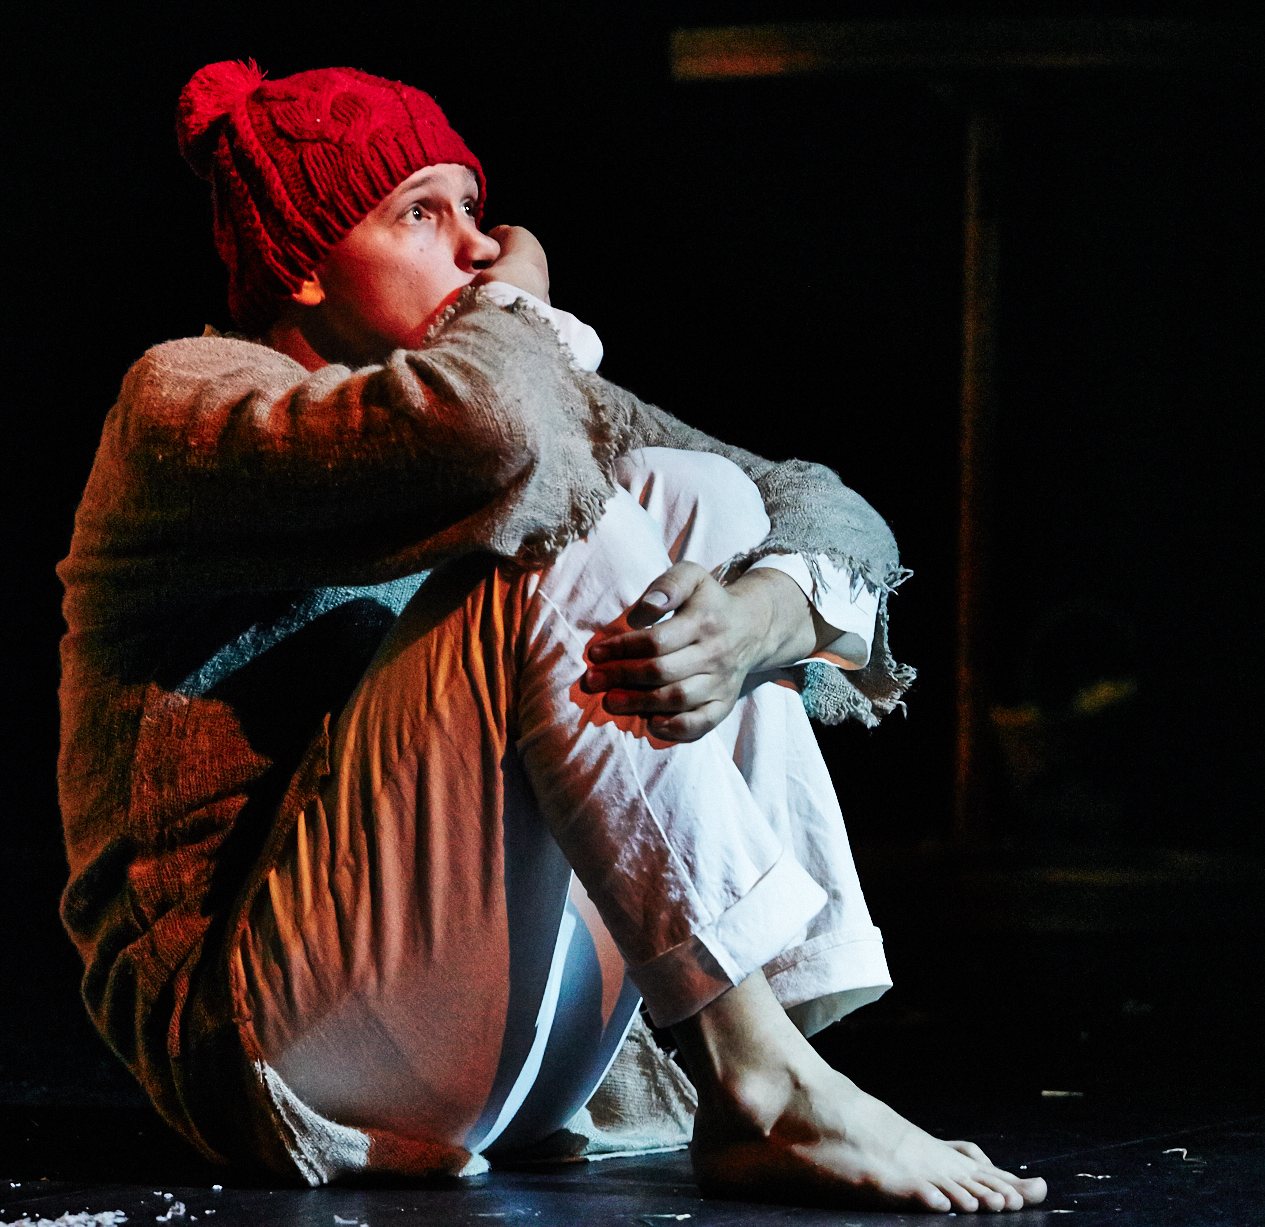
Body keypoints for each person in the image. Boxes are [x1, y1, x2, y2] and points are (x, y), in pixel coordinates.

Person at [57, 60, 1048, 1213]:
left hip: (518, 1048)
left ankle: (768, 1050)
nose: (479, 246)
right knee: (556, 524)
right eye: (420, 214)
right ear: (304, 267)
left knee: (700, 502)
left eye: (476, 208)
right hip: (274, 1046)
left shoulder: (496, 392)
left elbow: (810, 500)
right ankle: (769, 1081)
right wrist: (521, 301)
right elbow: (495, 433)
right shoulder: (188, 399)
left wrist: (752, 623)